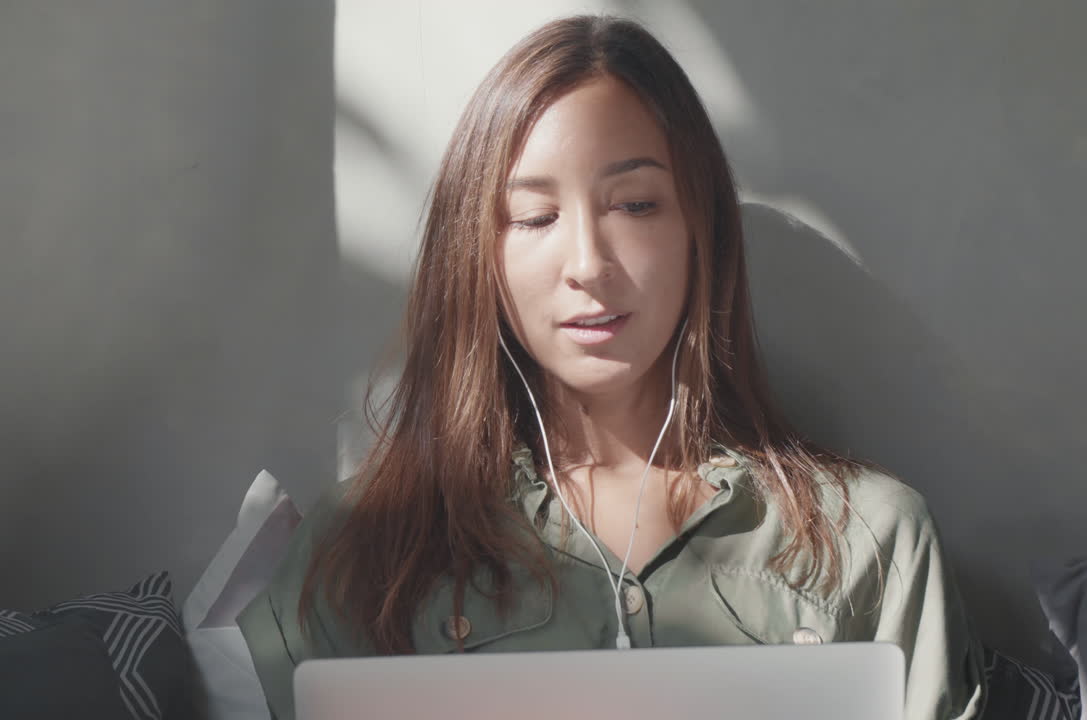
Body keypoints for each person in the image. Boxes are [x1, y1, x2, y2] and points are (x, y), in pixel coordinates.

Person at [238, 14, 986, 720]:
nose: (589, 265)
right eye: (534, 218)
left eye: (634, 205)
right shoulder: (361, 549)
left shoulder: (871, 542)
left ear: (702, 231)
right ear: (478, 257)